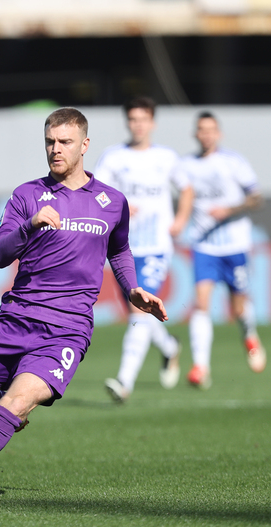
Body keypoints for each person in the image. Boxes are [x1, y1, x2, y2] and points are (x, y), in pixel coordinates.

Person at [0, 107, 167, 502]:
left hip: (66, 330)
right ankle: (9, 409)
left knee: (18, 402)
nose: (56, 150)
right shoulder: (27, 195)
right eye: (50, 142)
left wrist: (132, 290)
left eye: (65, 142)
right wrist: (30, 224)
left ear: (85, 145)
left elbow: (119, 250)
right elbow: (1, 254)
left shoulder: (112, 202)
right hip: (16, 319)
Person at [93, 96, 193, 403]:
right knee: (141, 315)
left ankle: (124, 382)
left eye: (143, 119)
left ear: (153, 123)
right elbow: (96, 192)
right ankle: (170, 347)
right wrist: (119, 205)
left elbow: (186, 188)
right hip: (122, 247)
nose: (138, 125)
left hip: (156, 247)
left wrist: (179, 220)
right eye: (133, 119)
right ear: (127, 122)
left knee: (139, 310)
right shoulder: (113, 157)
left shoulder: (166, 157)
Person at [175, 112, 266, 389]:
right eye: (201, 130)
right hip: (204, 246)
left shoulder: (233, 162)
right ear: (195, 134)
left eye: (211, 130)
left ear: (219, 134)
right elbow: (182, 197)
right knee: (201, 303)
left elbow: (257, 197)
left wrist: (229, 209)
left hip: (235, 244)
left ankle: (249, 334)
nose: (206, 135)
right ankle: (201, 367)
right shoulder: (186, 165)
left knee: (238, 307)